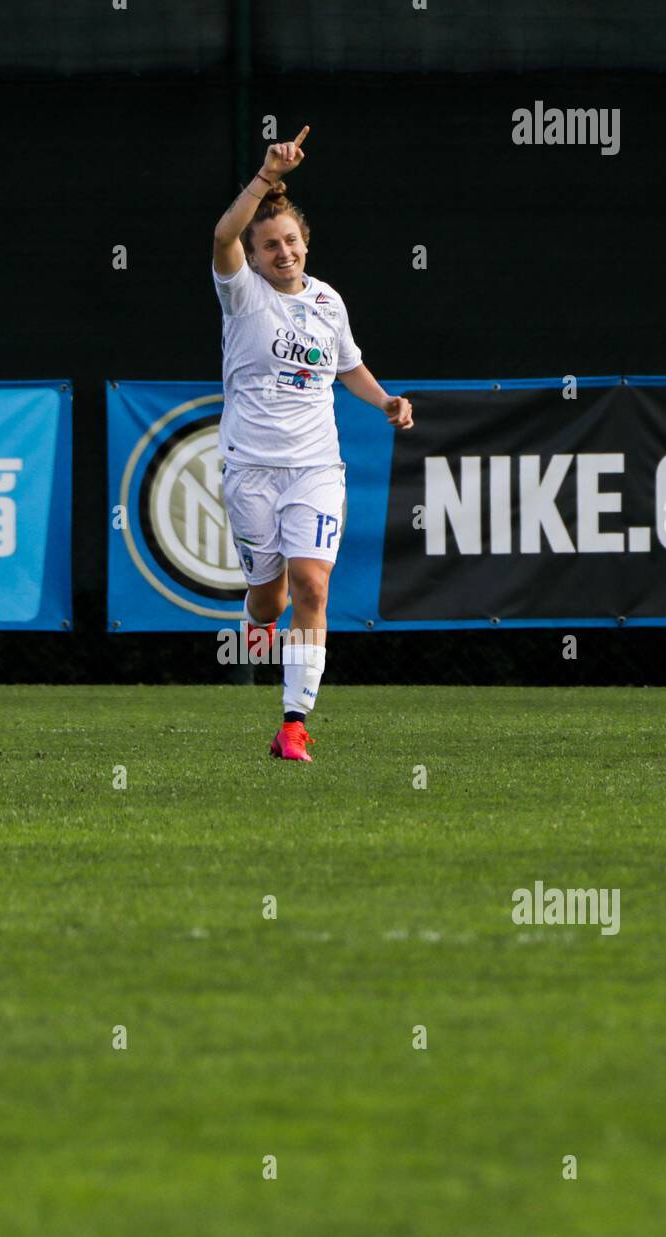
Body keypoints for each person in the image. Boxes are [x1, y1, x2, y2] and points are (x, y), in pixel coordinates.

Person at [212, 125, 413, 761]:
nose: (283, 252)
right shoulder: (242, 295)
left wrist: (384, 400)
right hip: (251, 469)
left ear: (305, 243)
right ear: (255, 253)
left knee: (312, 586)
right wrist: (267, 177)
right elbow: (222, 236)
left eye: (290, 240)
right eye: (269, 244)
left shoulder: (328, 302)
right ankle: (253, 620)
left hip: (316, 467)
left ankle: (293, 723)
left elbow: (348, 366)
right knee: (270, 601)